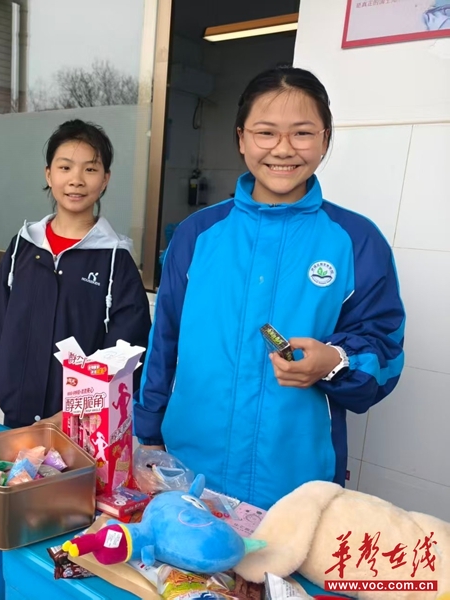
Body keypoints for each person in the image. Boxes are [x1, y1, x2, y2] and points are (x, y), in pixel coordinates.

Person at [136, 67, 405, 510]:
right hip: (188, 469)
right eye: (266, 132)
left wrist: (334, 362)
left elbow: (386, 354)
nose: (283, 148)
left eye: (302, 133)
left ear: (325, 139)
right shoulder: (197, 234)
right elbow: (164, 340)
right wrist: (147, 434)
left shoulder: (356, 241)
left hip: (296, 483)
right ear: (241, 138)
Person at [0, 119, 151, 428]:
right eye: (65, 167)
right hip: (16, 423)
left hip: (80, 430)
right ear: (49, 174)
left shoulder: (114, 261)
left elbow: (126, 354)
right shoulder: (23, 247)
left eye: (90, 169)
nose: (76, 180)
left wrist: (70, 416)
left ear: (105, 179)